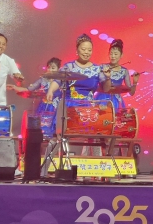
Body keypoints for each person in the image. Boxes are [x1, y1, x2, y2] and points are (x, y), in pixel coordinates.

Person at [43, 34, 106, 172]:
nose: (86, 52)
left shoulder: (97, 69)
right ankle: (43, 170)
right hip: (69, 107)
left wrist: (107, 77)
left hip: (88, 108)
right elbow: (57, 80)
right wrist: (51, 91)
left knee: (93, 139)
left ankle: (97, 172)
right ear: (77, 50)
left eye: (89, 50)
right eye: (83, 49)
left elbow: (106, 87)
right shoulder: (69, 66)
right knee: (57, 137)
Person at [10, 57, 62, 138]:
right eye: (49, 67)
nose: (50, 70)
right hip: (43, 106)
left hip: (56, 107)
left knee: (55, 127)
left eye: (53, 68)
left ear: (58, 69)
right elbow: (29, 89)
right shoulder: (43, 79)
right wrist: (15, 87)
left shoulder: (61, 80)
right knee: (41, 126)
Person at [96, 39, 138, 110]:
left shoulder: (124, 71)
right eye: (111, 53)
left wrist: (135, 82)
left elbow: (131, 93)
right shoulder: (102, 67)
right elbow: (97, 85)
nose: (113, 56)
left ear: (121, 55)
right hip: (102, 99)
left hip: (116, 102)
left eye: (115, 54)